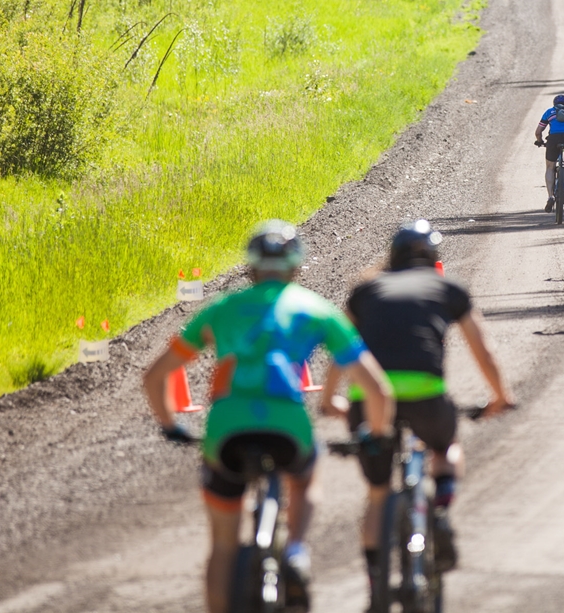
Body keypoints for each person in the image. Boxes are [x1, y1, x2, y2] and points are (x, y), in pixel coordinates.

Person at [143, 221, 394, 613]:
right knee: (306, 475)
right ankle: (295, 550)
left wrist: (171, 426)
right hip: (287, 426)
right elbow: (376, 388)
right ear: (296, 265)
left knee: (222, 544)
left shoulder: (221, 308)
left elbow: (155, 377)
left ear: (250, 266)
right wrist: (377, 435)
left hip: (226, 429)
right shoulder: (316, 308)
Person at [321, 221, 514, 601]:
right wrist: (500, 396)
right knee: (445, 447)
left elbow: (341, 349)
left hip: (370, 400)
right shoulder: (449, 288)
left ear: (393, 257)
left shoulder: (366, 291)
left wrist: (329, 400)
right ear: (434, 257)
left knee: (378, 494)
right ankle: (439, 510)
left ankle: (376, 589)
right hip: (426, 395)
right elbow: (483, 350)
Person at [534, 94, 564, 213]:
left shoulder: (549, 112)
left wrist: (540, 141)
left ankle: (550, 196)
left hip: (553, 139)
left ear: (554, 104)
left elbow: (538, 132)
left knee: (550, 167)